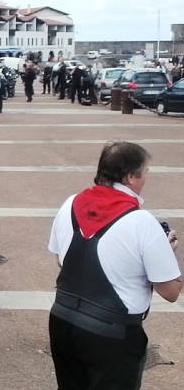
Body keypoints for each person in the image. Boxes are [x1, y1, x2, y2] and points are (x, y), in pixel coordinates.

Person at [48, 141, 181, 390]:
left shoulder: (71, 203)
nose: (146, 178)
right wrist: (167, 254)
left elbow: (61, 260)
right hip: (113, 335)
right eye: (145, 171)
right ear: (130, 176)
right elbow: (170, 291)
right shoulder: (142, 221)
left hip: (62, 320)